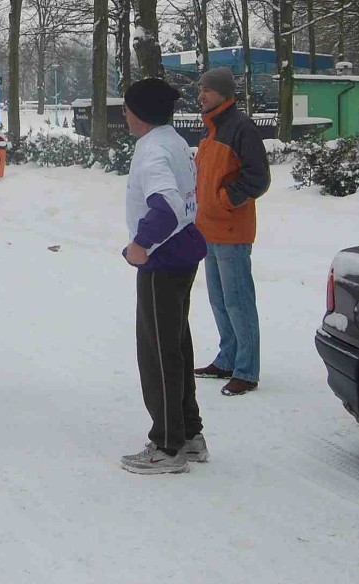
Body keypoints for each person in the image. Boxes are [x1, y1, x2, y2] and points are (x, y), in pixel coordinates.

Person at [119, 78, 209, 475]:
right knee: (177, 345)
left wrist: (141, 243)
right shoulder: (172, 140)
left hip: (162, 259)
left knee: (158, 352)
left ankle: (168, 446)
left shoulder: (153, 149)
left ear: (139, 113)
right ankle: (189, 434)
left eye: (126, 108)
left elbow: (168, 205)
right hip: (182, 254)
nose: (123, 114)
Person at [192, 67, 270, 396]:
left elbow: (258, 178)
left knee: (238, 302)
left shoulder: (241, 127)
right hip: (208, 230)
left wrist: (225, 200)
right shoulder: (212, 128)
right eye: (201, 89)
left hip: (232, 230)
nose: (202, 95)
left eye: (207, 90)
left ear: (224, 93)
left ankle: (246, 369)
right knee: (219, 301)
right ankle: (227, 359)